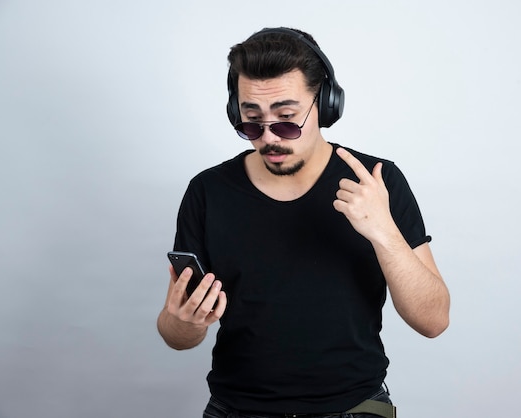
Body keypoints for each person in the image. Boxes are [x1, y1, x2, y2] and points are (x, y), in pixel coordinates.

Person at [157, 27, 450, 418]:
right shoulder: (207, 192)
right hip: (237, 409)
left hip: (355, 407)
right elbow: (176, 335)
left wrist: (382, 230)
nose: (269, 139)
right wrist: (183, 322)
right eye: (251, 123)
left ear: (325, 104)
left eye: (287, 119)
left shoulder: (377, 182)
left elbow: (433, 321)